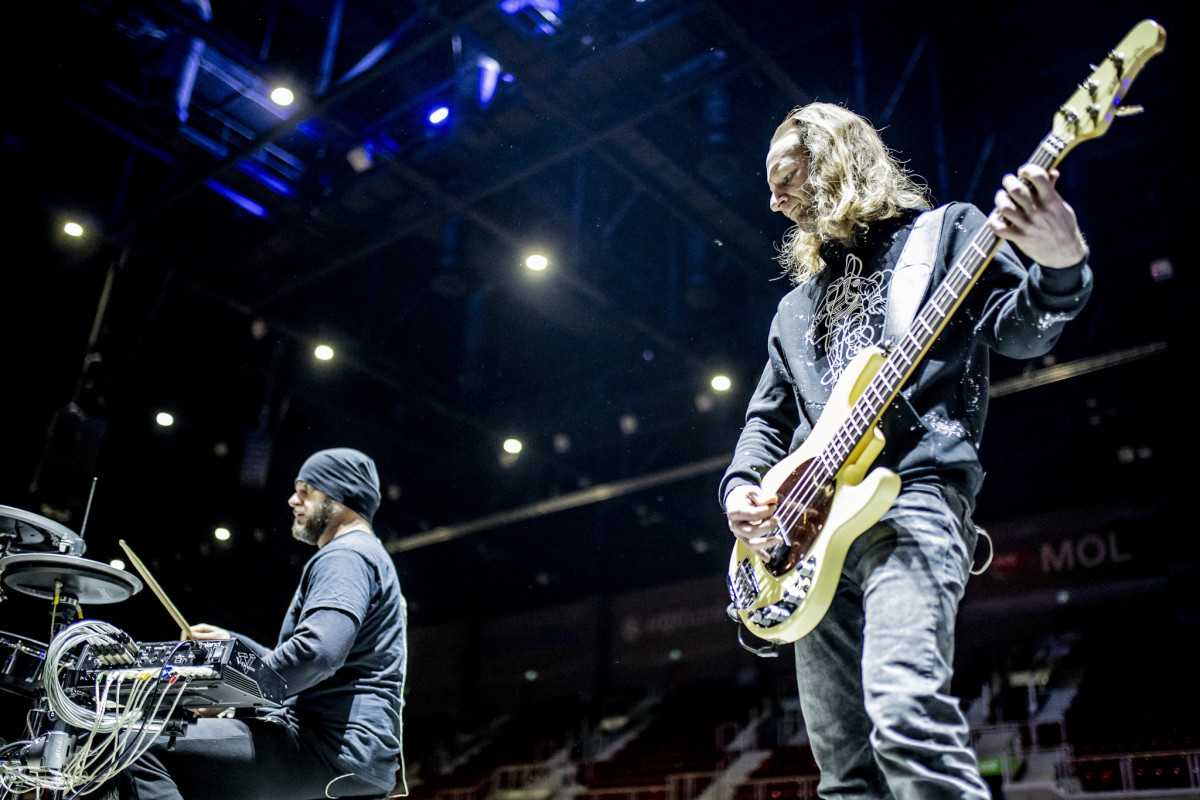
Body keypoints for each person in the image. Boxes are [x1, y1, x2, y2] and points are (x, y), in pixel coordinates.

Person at [721, 103, 1091, 799]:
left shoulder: (946, 234)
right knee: (845, 774)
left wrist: (1061, 269)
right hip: (805, 536)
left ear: (836, 159)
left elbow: (1021, 333)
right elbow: (764, 424)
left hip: (913, 500)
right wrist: (742, 490)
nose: (772, 201)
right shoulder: (794, 309)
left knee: (906, 719)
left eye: (786, 177)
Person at [119, 447, 407, 800]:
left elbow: (319, 654)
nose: (292, 500)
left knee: (134, 745)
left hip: (326, 745)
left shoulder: (345, 555)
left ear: (339, 497)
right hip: (355, 752)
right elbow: (315, 665)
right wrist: (234, 646)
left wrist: (226, 691)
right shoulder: (368, 555)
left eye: (305, 491)